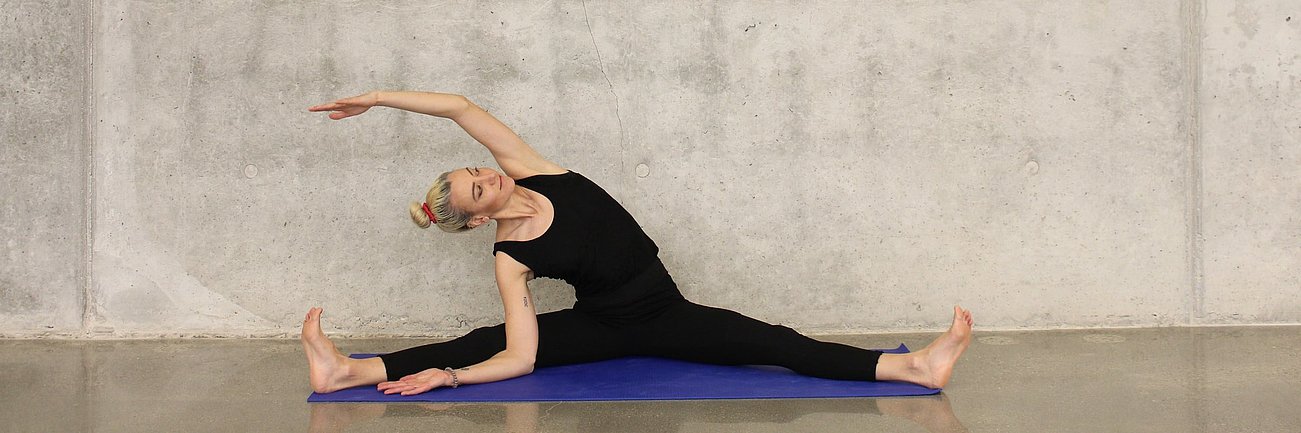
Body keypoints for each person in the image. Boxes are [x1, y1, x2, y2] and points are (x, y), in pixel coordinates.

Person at [302, 91, 974, 396]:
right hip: (611, 326)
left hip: (663, 309)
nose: (488, 176)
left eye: (477, 169)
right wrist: (452, 376)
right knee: (481, 340)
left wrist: (379, 99)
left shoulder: (532, 169)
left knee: (774, 342)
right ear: (479, 220)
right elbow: (519, 356)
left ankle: (913, 368)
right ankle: (347, 373)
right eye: (479, 189)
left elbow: (459, 107)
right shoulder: (511, 255)